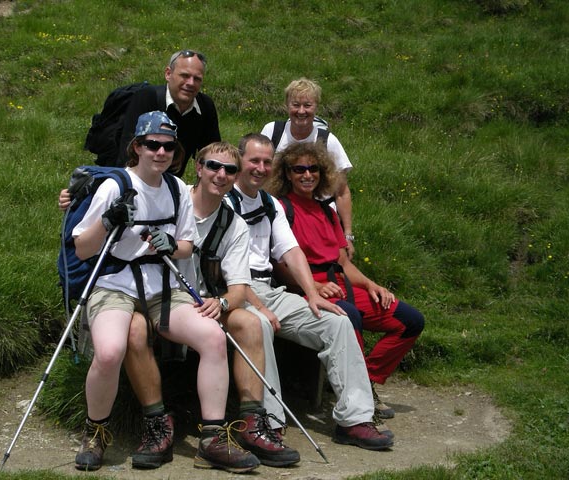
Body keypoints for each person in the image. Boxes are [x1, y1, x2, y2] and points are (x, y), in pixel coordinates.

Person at [71, 111, 259, 473]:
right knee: (109, 352)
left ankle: (213, 439)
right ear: (137, 147)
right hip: (115, 285)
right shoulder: (116, 186)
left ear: (176, 152)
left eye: (168, 146)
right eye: (152, 144)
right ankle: (96, 432)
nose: (160, 152)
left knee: (212, 338)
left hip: (164, 286)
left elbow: (187, 245)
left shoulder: (175, 189)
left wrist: (171, 245)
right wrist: (108, 221)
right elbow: (82, 248)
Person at [125, 142, 300, 469]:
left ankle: (249, 423)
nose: (221, 175)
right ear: (198, 168)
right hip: (156, 296)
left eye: (230, 170)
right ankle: (158, 424)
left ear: (236, 176)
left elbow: (239, 290)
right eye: (213, 167)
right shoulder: (173, 202)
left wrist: (219, 303)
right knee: (134, 329)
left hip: (206, 303)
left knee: (250, 323)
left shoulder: (234, 224)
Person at [230, 133, 394, 450]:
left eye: (266, 162)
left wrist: (313, 292)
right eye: (254, 161)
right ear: (240, 162)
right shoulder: (226, 200)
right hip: (236, 290)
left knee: (337, 320)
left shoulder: (270, 204)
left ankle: (355, 419)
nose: (260, 168)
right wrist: (258, 305)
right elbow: (224, 266)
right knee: (259, 325)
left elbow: (290, 251)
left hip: (268, 288)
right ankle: (268, 422)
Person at [268, 142, 425, 420]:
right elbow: (280, 266)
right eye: (299, 169)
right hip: (306, 288)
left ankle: (369, 381)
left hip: (341, 284)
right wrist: (314, 287)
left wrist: (370, 285)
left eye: (313, 168)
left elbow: (343, 263)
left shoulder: (328, 212)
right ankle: (359, 399)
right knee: (348, 316)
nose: (307, 175)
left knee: (410, 320)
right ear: (287, 174)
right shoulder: (281, 209)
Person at [261, 78, 355, 258]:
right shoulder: (272, 131)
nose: (301, 111)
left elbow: (342, 192)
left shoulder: (329, 141)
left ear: (316, 107)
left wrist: (348, 234)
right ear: (287, 105)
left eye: (307, 105)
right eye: (295, 105)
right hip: (280, 212)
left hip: (320, 216)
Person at [116, 50, 221, 175]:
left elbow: (213, 155)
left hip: (172, 184)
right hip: (136, 179)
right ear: (168, 74)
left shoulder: (205, 106)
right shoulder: (147, 98)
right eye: (185, 76)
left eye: (197, 79)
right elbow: (128, 152)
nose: (190, 83)